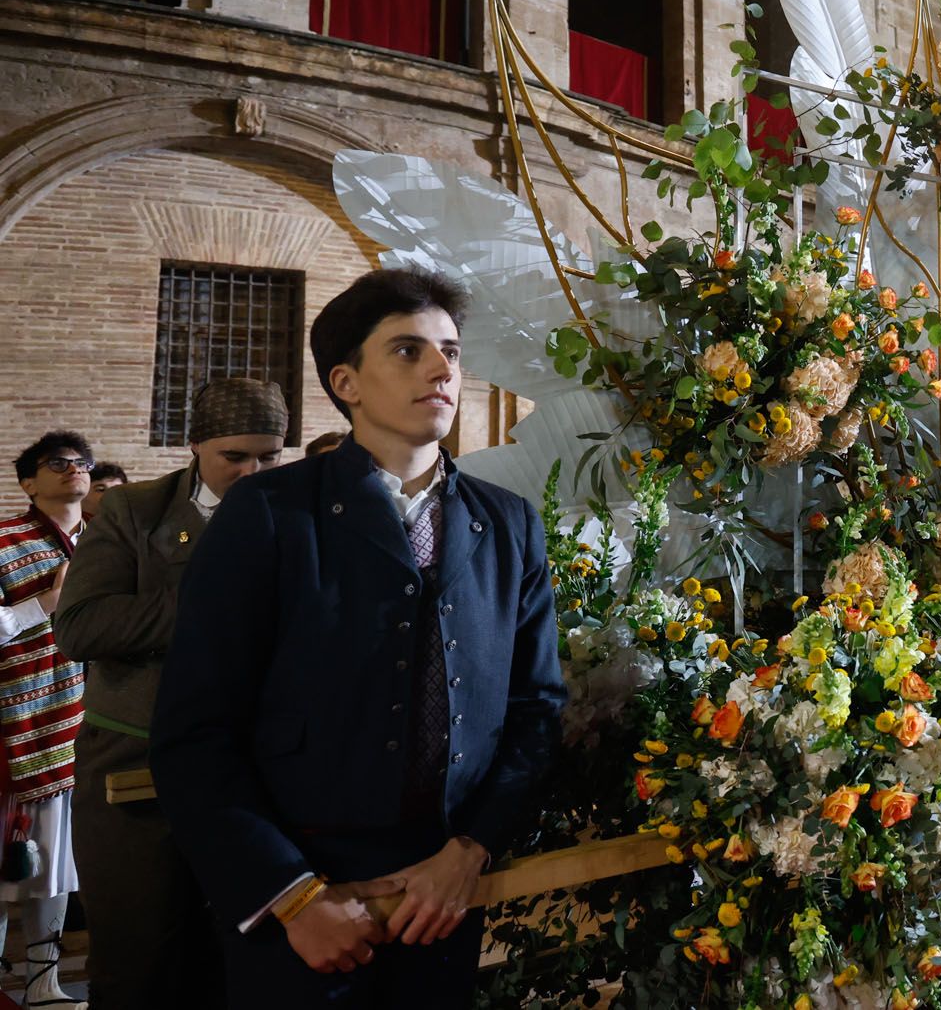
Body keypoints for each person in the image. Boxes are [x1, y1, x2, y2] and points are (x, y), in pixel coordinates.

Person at [151, 268, 566, 1007]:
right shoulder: (271, 514)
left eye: (450, 350)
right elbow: (196, 729)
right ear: (346, 381)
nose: (442, 369)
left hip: (444, 894)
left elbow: (534, 707)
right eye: (408, 350)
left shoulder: (507, 523)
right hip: (303, 901)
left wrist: (468, 851)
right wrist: (292, 893)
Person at [54, 379, 289, 1010]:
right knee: (142, 961)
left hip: (254, 776)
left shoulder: (298, 511)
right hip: (135, 771)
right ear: (195, 447)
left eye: (269, 456)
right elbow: (81, 626)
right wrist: (210, 601)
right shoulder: (136, 511)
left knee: (242, 957)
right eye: (234, 457)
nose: (253, 471)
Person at [0, 432, 93, 1007]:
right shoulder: (4, 540)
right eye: (57, 464)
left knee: (55, 869)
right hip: (14, 724)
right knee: (6, 866)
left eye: (81, 462)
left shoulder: (108, 542)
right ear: (29, 482)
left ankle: (43, 985)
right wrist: (46, 607)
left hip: (80, 725)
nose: (73, 470)